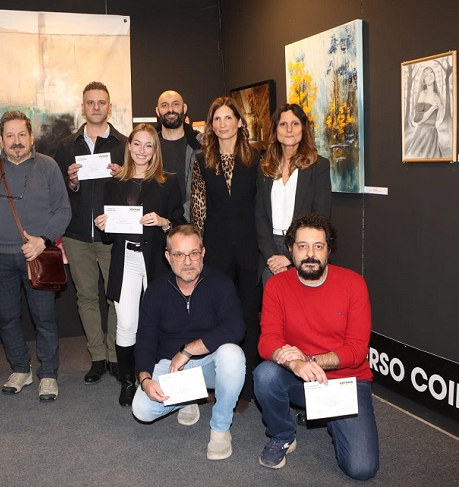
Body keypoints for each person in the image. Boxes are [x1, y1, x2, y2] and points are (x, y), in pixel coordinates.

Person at [253, 213, 379, 480]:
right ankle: (283, 435)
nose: (310, 254)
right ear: (290, 249)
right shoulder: (276, 285)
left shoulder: (353, 284)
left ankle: (333, 417)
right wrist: (294, 363)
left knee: (362, 469)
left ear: (328, 250)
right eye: (302, 246)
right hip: (298, 378)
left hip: (346, 380)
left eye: (318, 246)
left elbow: (356, 351)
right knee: (265, 374)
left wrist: (309, 361)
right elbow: (267, 341)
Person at [0, 110, 71, 401]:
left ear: (31, 137)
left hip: (37, 257)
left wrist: (43, 241)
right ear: (1, 140)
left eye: (21, 134)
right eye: (10, 135)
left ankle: (49, 373)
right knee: (7, 318)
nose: (16, 141)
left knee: (44, 318)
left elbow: (63, 210)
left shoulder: (48, 166)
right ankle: (20, 369)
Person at [132, 224, 246, 460]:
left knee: (233, 354)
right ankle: (187, 396)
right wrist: (144, 379)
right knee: (142, 410)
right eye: (179, 254)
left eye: (193, 253)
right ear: (168, 257)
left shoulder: (220, 283)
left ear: (203, 253)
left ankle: (220, 428)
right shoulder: (155, 291)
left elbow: (236, 327)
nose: (187, 262)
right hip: (172, 368)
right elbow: (145, 340)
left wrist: (188, 350)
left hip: (210, 363)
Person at [94, 123, 185, 407]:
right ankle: (128, 381)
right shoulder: (113, 184)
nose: (142, 150)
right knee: (126, 324)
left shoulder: (168, 182)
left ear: (155, 149)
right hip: (126, 261)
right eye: (137, 144)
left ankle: (165, 377)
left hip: (157, 260)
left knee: (162, 322)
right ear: (129, 146)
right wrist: (103, 226)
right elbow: (109, 236)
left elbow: (179, 225)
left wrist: (164, 222)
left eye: (148, 145)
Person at [54, 82, 127, 384]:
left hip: (112, 234)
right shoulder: (66, 146)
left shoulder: (124, 144)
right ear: (82, 107)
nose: (96, 107)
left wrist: (122, 177)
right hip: (77, 235)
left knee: (116, 298)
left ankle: (114, 355)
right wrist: (71, 183)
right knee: (86, 297)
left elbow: (135, 190)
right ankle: (97, 357)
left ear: (110, 106)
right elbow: (58, 193)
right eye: (90, 102)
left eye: (101, 102)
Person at [191, 96, 261, 412]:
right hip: (216, 249)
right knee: (215, 316)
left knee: (248, 315)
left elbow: (263, 205)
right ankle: (216, 383)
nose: (222, 124)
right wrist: (197, 250)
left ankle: (245, 388)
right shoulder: (202, 160)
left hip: (250, 248)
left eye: (228, 118)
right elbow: (198, 208)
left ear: (239, 122)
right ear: (211, 125)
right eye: (216, 119)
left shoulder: (257, 158)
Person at [256, 103, 331, 286]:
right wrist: (271, 255)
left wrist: (291, 255)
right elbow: (260, 215)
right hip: (270, 252)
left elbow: (320, 216)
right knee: (274, 303)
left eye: (295, 124)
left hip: (304, 248)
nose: (289, 129)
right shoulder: (266, 166)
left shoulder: (318, 166)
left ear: (303, 128)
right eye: (283, 124)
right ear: (275, 130)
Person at [156, 90, 202, 221]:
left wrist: (182, 219)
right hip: (154, 223)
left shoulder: (201, 146)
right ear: (157, 111)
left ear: (184, 108)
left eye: (176, 104)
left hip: (189, 223)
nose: (170, 109)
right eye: (164, 105)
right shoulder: (148, 147)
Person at [405, 66, 444, 159]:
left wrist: (441, 108)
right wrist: (433, 108)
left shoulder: (437, 96)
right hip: (423, 133)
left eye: (431, 72)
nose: (430, 75)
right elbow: (418, 121)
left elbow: (437, 119)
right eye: (426, 75)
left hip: (433, 133)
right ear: (424, 81)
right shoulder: (423, 94)